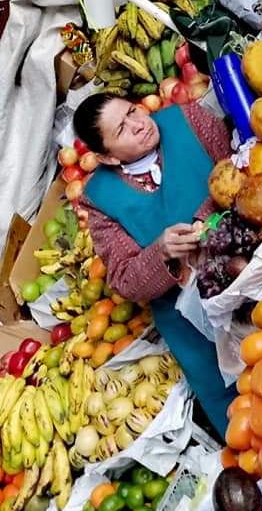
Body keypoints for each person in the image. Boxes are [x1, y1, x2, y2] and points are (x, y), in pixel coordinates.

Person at [73, 94, 235, 437]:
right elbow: (125, 280)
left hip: (245, 267)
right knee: (241, 412)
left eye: (132, 111)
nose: (138, 124)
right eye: (122, 129)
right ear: (107, 157)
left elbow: (237, 170)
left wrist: (205, 218)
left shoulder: (188, 119)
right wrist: (160, 252)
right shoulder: (99, 199)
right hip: (190, 321)